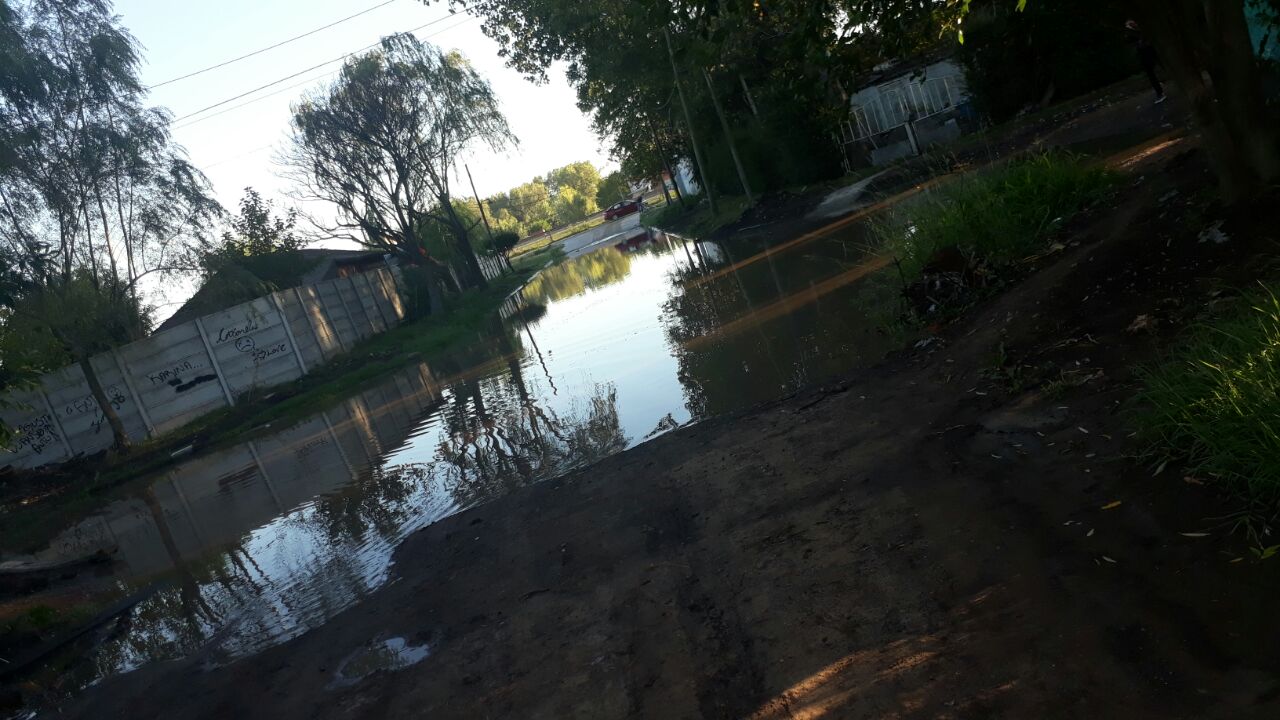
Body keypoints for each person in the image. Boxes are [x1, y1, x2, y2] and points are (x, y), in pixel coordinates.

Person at [1125, 20, 1166, 104]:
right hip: (1145, 51)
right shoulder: (1132, 31)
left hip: (1148, 49)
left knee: (1156, 69)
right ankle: (1159, 92)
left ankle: (1160, 92)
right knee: (1151, 72)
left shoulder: (1140, 28)